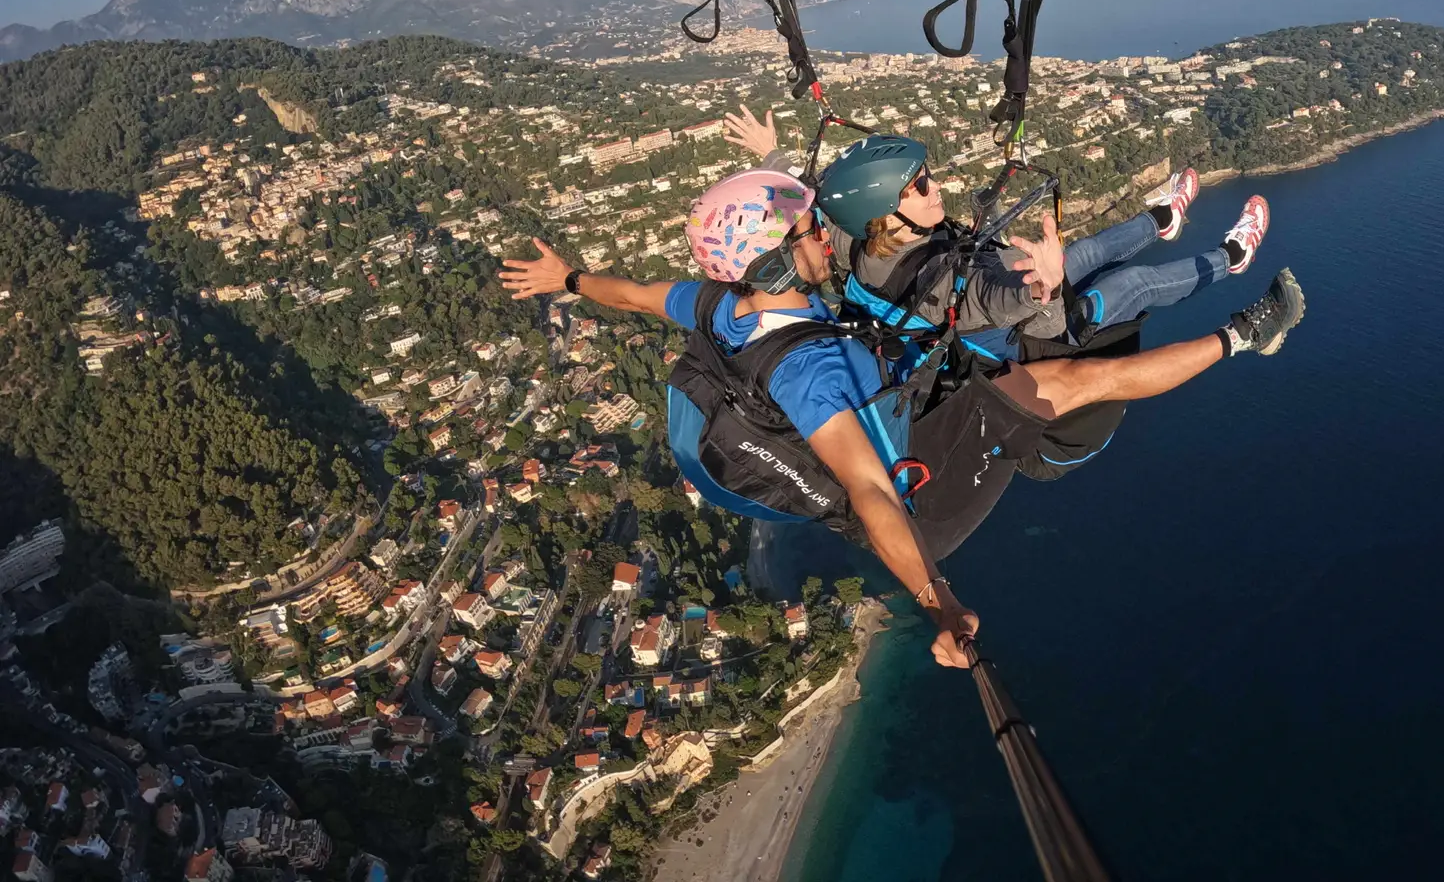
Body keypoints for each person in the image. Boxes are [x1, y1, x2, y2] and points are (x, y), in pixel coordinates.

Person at [499, 168, 1305, 669]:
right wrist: (938, 602)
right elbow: (870, 494)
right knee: (1067, 382)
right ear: (777, 257)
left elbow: (637, 294)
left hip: (913, 399)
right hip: (925, 498)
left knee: (1040, 324)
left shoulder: (718, 303)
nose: (824, 237)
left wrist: (568, 278)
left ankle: (1189, 271)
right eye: (808, 231)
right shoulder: (806, 371)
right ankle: (1244, 335)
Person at [722, 107, 1269, 357]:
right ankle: (1231, 254)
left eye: (927, 177)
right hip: (1043, 324)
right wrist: (1044, 286)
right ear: (888, 214)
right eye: (919, 187)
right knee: (1135, 284)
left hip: (1004, 270)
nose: (935, 189)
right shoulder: (939, 292)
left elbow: (816, 202)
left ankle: (1163, 218)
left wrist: (770, 155)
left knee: (1092, 247)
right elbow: (997, 301)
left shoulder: (858, 236)